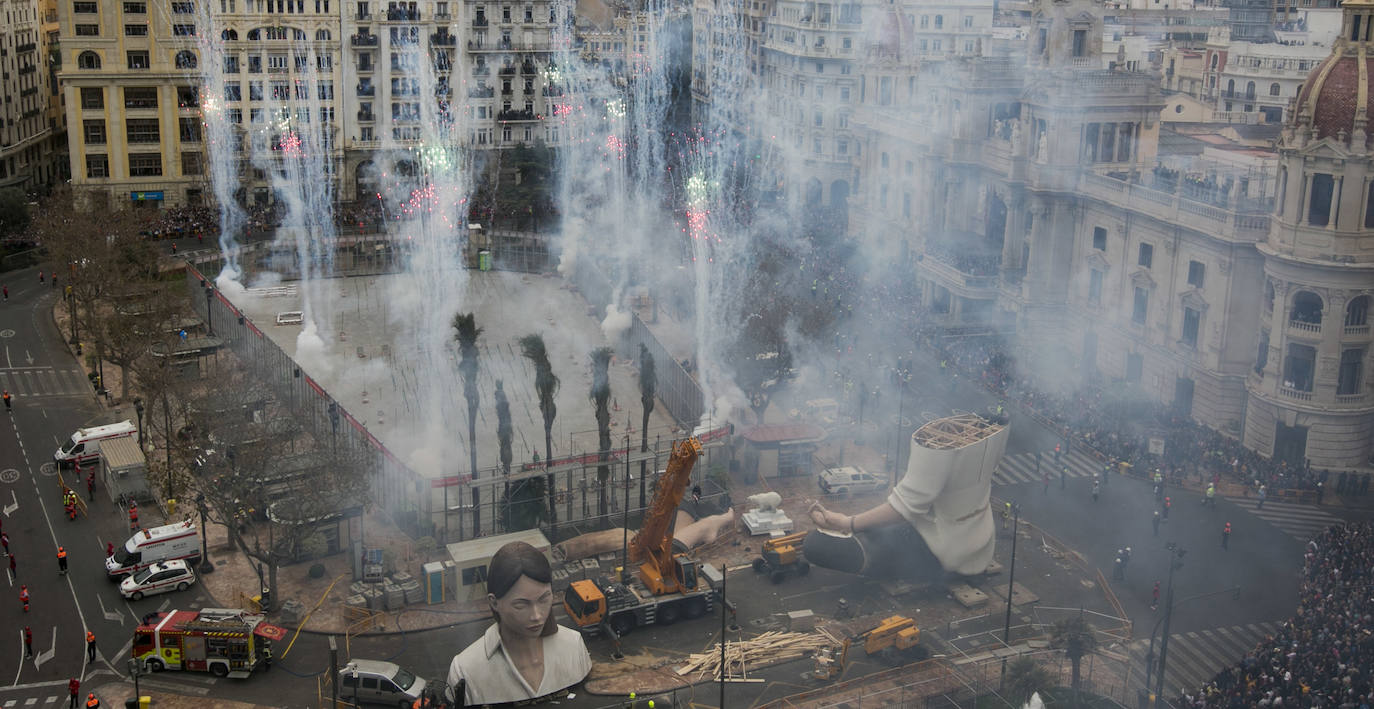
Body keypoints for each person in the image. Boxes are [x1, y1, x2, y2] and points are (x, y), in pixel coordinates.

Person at [805, 416, 1007, 581]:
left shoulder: (937, 450)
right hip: (981, 538)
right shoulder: (997, 436)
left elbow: (906, 507)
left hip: (938, 547)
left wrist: (847, 522)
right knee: (879, 527)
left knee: (815, 544)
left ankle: (921, 572)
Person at [444, 541, 591, 705]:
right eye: (521, 605)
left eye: (544, 599)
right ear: (494, 603)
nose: (536, 615)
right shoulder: (465, 670)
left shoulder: (573, 645)